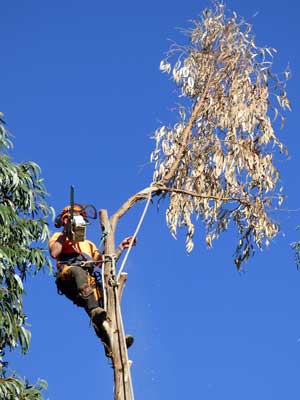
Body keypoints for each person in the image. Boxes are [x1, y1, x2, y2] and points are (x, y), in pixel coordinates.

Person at [49, 203, 135, 354]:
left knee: (106, 303)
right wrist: (66, 233)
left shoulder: (88, 244)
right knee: (78, 273)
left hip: (88, 283)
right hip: (69, 275)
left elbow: (103, 263)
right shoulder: (59, 237)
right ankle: (95, 309)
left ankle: (112, 343)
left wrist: (121, 247)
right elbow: (55, 253)